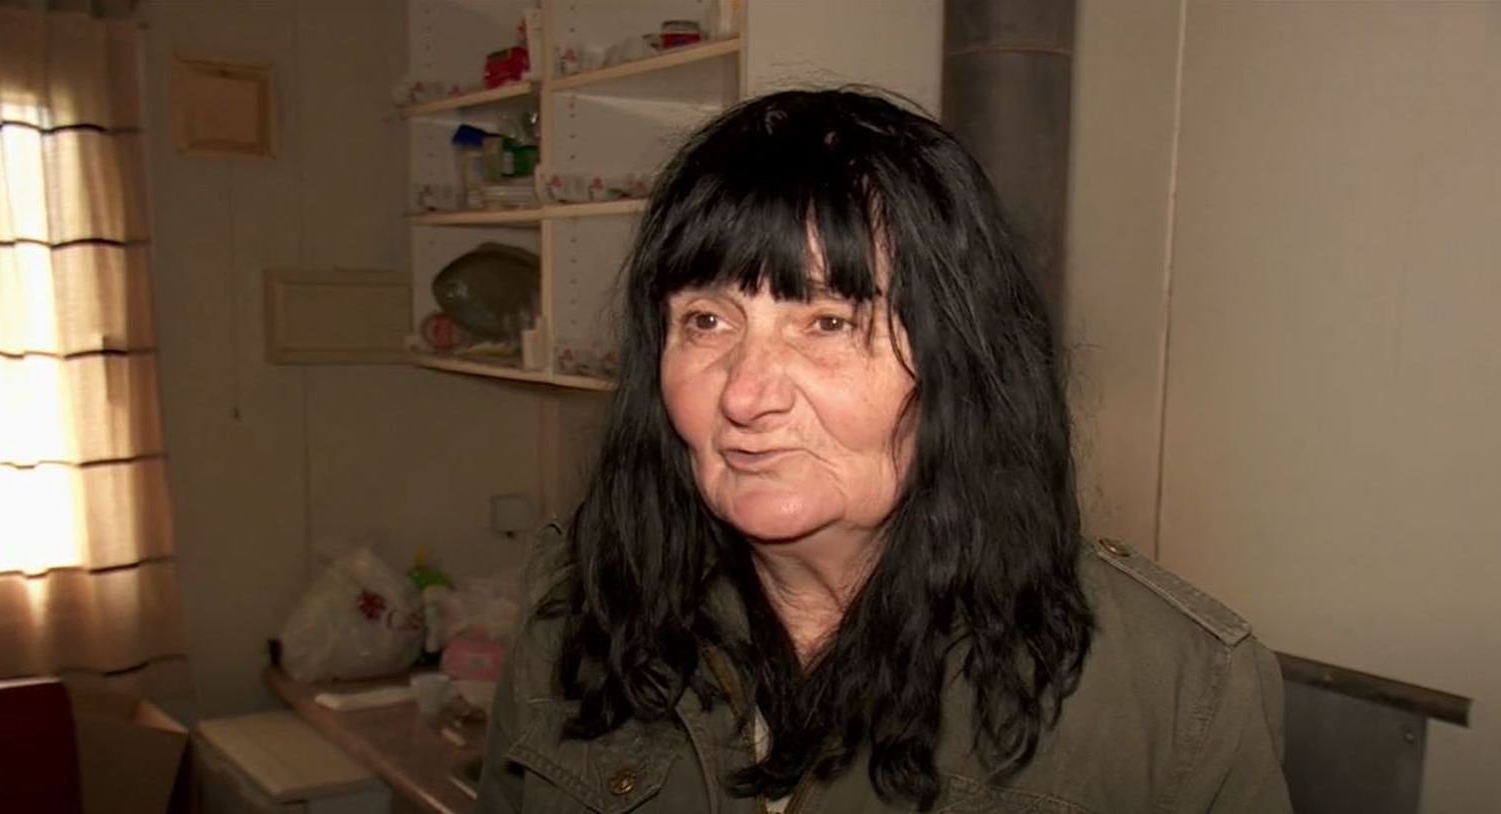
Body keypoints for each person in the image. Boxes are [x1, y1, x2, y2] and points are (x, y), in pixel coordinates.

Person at [476, 89, 1291, 813]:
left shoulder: (1176, 694)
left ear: (957, 364)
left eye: (828, 322)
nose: (744, 394)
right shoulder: (577, 611)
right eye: (707, 321)